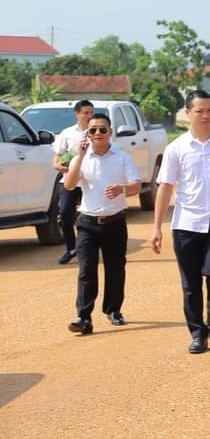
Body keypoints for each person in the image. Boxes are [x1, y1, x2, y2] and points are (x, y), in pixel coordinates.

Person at [152, 90, 210, 354]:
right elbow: (165, 187)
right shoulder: (176, 148)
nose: (205, 116)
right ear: (188, 113)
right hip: (186, 224)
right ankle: (197, 332)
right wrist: (157, 227)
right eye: (199, 111)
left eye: (209, 110)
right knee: (190, 283)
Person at [63, 112, 139, 335]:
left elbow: (136, 184)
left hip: (114, 222)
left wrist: (122, 189)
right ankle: (83, 317)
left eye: (102, 129)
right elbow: (69, 184)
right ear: (87, 134)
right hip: (87, 222)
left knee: (115, 268)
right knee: (86, 270)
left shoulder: (122, 157)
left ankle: (113, 310)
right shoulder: (81, 158)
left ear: (110, 133)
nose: (97, 133)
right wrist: (78, 156)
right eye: (92, 130)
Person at [52, 99, 95, 265]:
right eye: (85, 112)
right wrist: (56, 164)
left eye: (91, 112)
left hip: (91, 181)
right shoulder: (68, 133)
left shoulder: (98, 131)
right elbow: (58, 154)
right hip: (70, 179)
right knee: (64, 213)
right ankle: (71, 248)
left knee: (89, 214)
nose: (89, 115)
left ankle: (88, 248)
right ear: (77, 114)